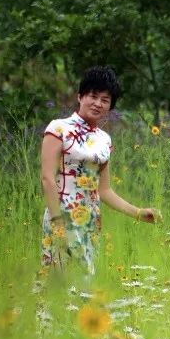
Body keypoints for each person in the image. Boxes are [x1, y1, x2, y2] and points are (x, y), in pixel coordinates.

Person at [39, 66, 159, 274]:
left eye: (105, 99)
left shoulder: (104, 140)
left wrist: (138, 213)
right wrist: (58, 222)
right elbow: (47, 178)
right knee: (58, 286)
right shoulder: (59, 128)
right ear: (80, 96)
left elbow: (104, 191)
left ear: (110, 105)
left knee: (85, 284)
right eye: (93, 96)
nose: (98, 103)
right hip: (62, 215)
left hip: (90, 221)